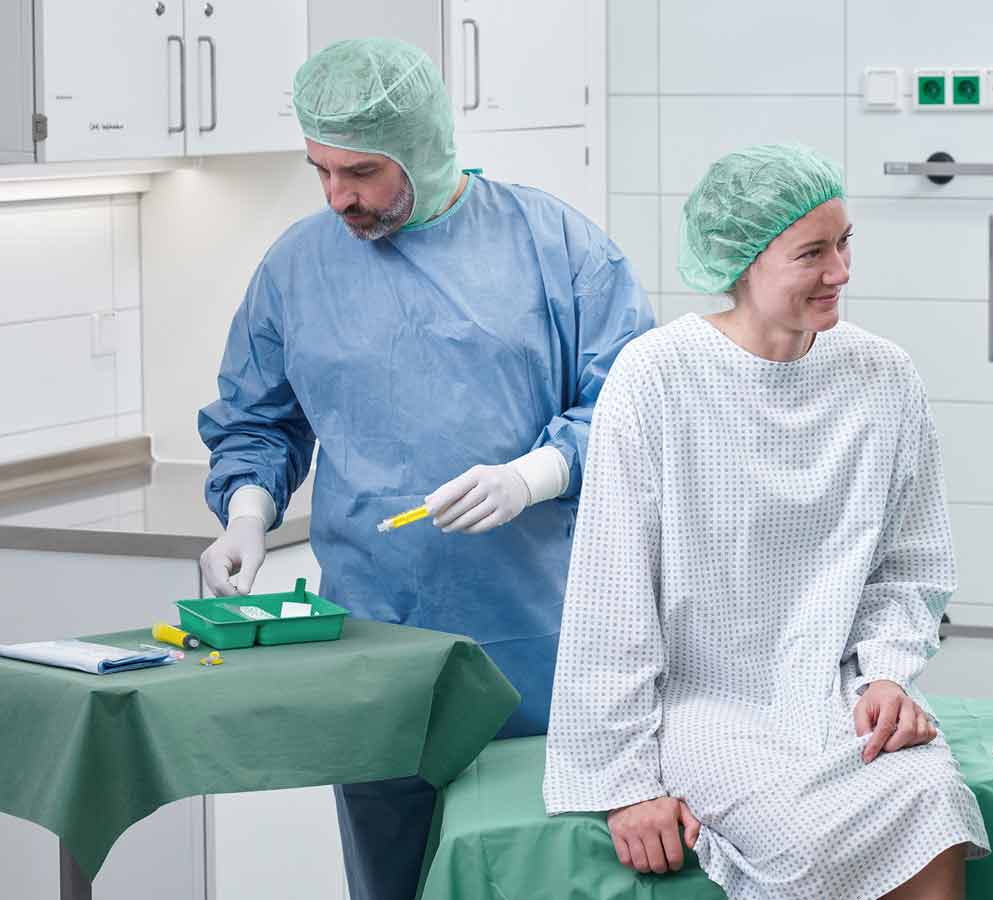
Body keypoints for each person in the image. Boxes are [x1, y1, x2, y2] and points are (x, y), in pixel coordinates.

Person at [195, 38, 653, 900]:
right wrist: (249, 513)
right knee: (392, 874)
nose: (339, 197)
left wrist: (539, 474)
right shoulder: (299, 266)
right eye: (320, 171)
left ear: (422, 147)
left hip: (538, 642)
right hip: (377, 648)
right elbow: (259, 416)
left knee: (540, 871)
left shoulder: (554, 246)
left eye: (360, 171)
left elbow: (634, 406)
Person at [542, 144, 989, 900]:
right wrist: (624, 781)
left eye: (845, 243)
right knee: (809, 837)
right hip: (707, 703)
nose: (841, 272)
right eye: (812, 253)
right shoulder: (656, 377)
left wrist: (884, 673)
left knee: (934, 798)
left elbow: (909, 563)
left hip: (839, 690)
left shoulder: (883, 375)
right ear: (743, 261)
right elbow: (610, 595)